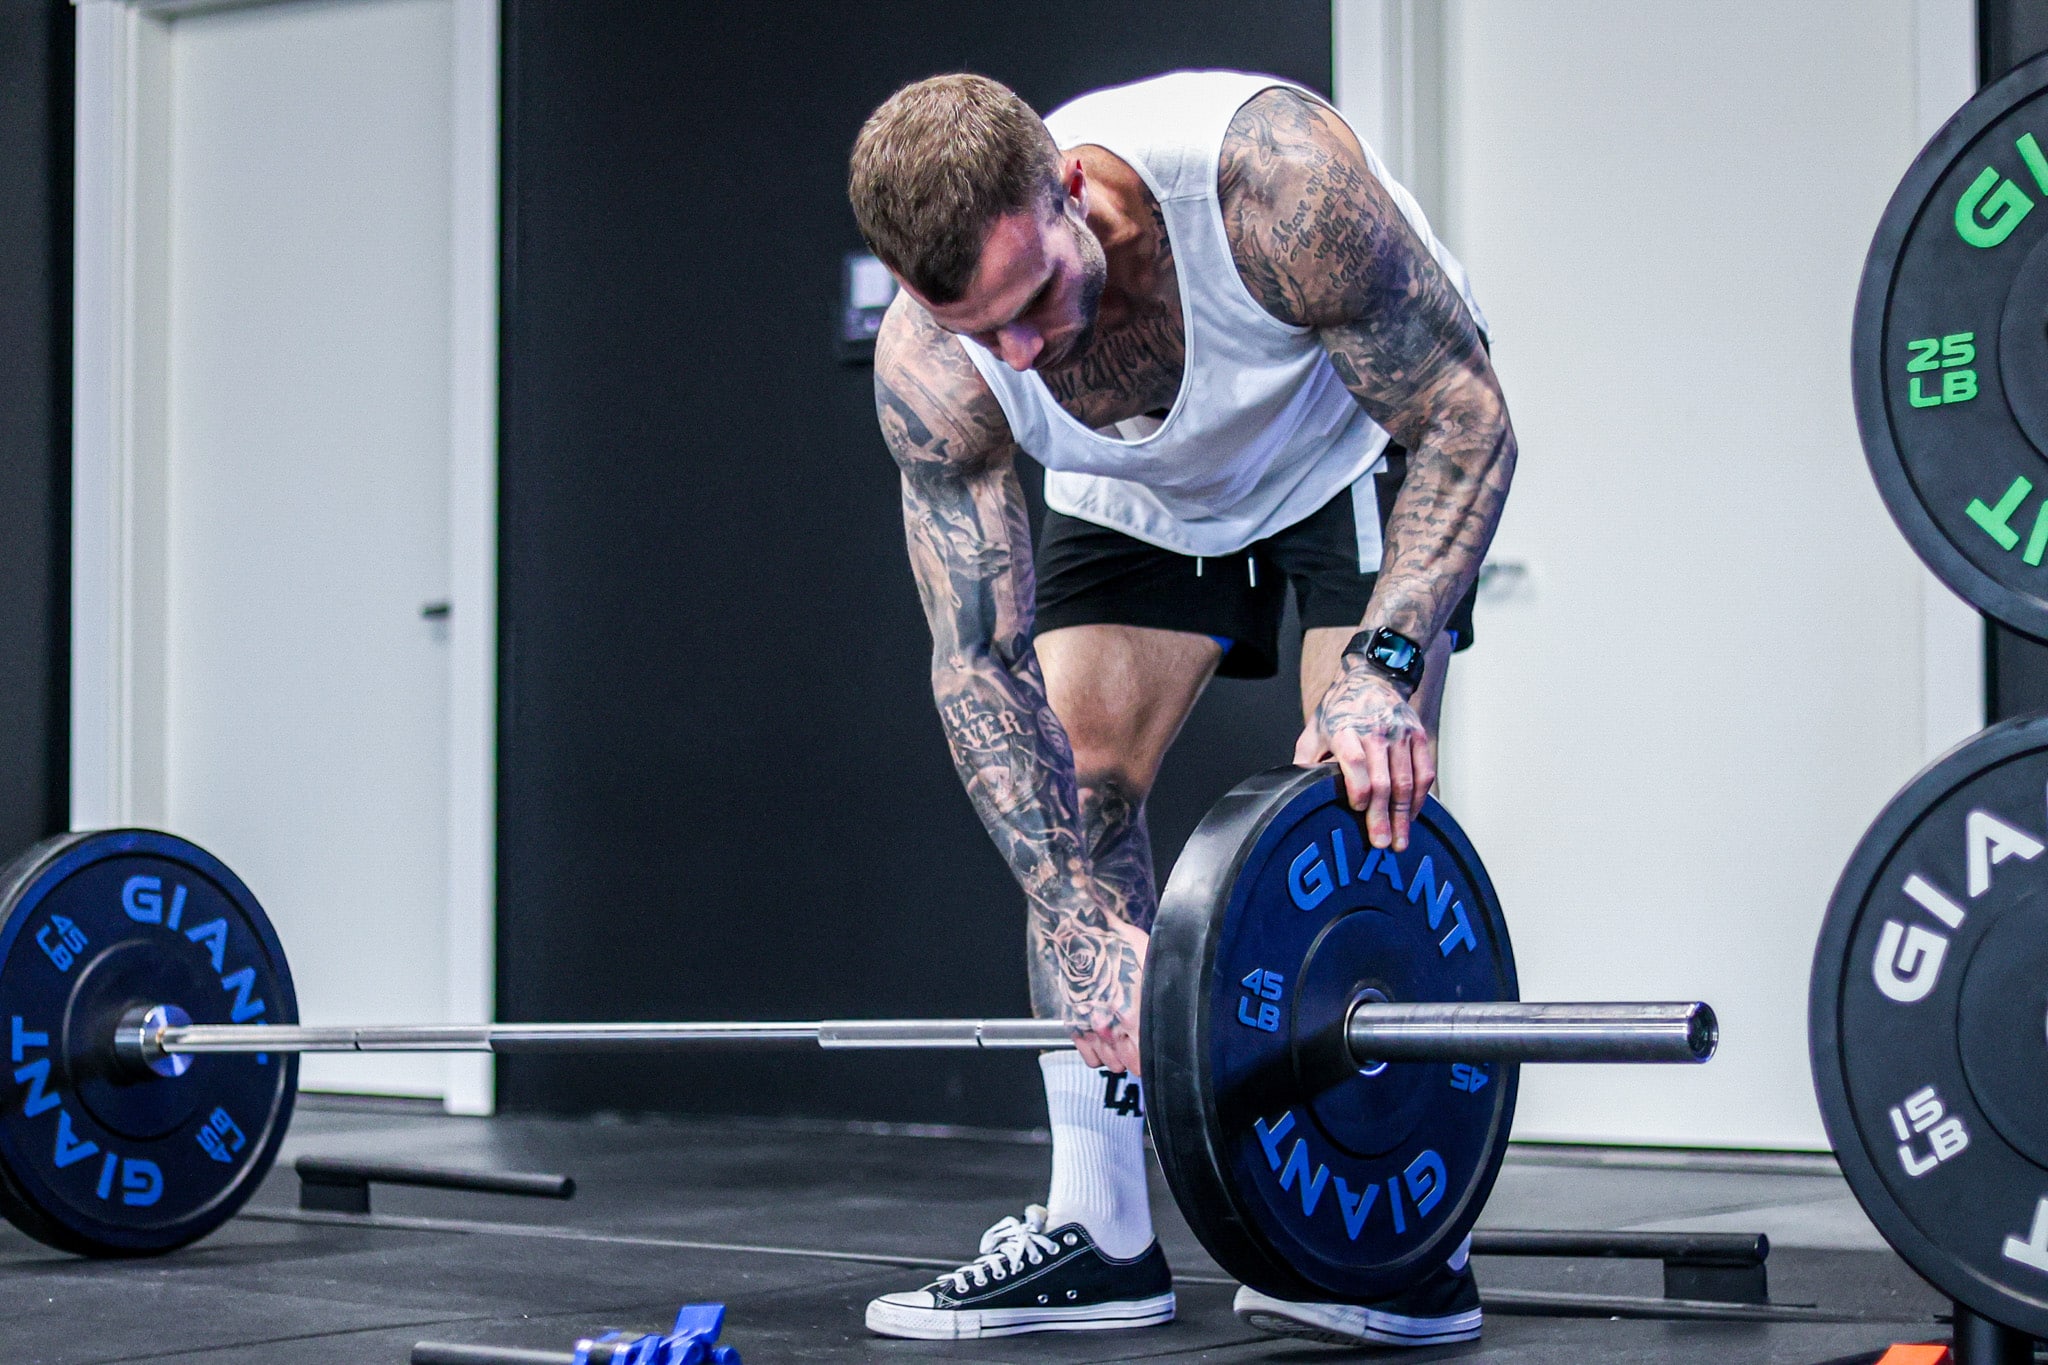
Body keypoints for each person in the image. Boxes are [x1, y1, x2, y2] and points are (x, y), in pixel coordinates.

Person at [846, 70, 1515, 1346]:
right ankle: (1098, 1233)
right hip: (1140, 493)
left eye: (1034, 299)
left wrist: (1381, 672)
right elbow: (974, 666)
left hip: (1346, 435)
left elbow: (1464, 423)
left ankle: (1401, 1245)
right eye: (986, 332)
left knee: (1351, 795)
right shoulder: (942, 366)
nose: (1022, 354)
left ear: (1073, 191)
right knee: (1075, 797)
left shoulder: (1270, 186)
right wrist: (1081, 922)